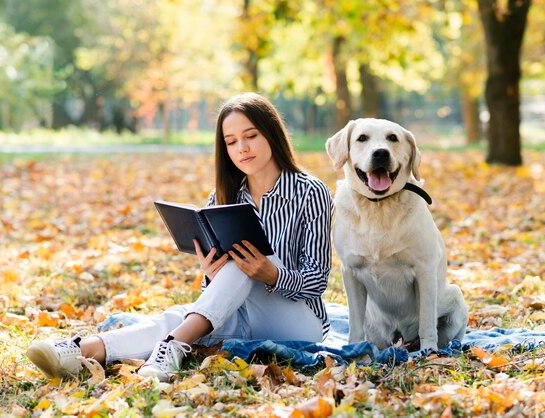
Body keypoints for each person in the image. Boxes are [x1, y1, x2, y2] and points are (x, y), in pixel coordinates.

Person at [26, 92, 334, 382]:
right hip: (244, 317)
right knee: (179, 315)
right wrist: (211, 275)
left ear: (271, 133)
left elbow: (318, 280)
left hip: (299, 322)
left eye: (251, 135)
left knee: (251, 257)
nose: (242, 148)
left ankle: (174, 345)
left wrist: (271, 274)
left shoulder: (312, 192)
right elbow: (215, 297)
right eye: (231, 141)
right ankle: (83, 349)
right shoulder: (224, 196)